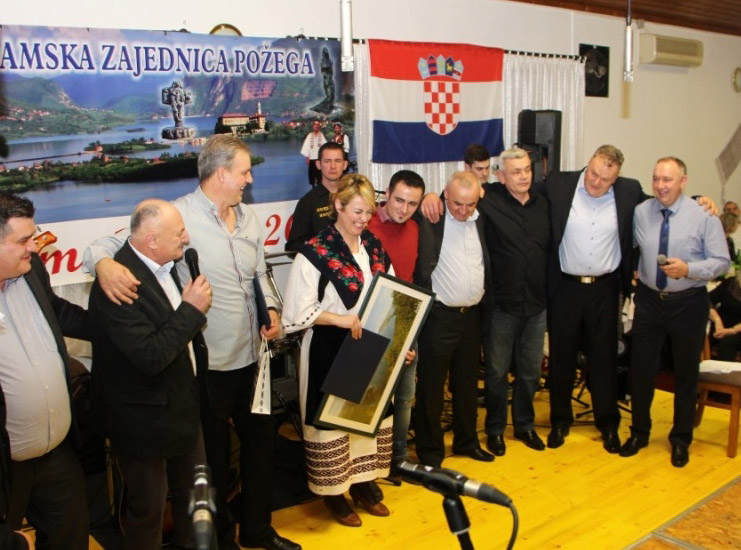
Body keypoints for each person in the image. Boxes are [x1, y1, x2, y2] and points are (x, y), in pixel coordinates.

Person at [82, 135, 299, 550]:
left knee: (260, 449)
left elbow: (259, 274)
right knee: (211, 465)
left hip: (253, 359)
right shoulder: (177, 216)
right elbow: (114, 243)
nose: (250, 179)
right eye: (244, 172)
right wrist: (104, 265)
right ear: (221, 174)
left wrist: (271, 308)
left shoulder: (249, 218)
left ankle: (257, 529)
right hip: (208, 367)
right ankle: (220, 540)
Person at [88, 199, 212, 550]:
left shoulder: (164, 263)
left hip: (181, 408)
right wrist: (192, 310)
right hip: (141, 420)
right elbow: (150, 356)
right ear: (153, 240)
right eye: (179, 233)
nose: (186, 238)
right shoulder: (119, 283)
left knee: (197, 505)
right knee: (149, 514)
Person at [282, 174, 399, 528]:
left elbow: (392, 296)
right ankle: (334, 494)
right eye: (357, 212)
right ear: (338, 206)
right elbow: (297, 313)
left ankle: (363, 485)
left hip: (370, 346)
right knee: (333, 425)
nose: (363, 219)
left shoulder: (374, 247)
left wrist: (400, 342)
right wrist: (341, 320)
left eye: (369, 212)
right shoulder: (315, 252)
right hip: (330, 347)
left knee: (365, 422)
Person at [619, 157, 728, 467]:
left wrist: (689, 269)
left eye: (667, 179)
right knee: (641, 370)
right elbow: (631, 246)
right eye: (656, 179)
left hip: (689, 303)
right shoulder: (642, 212)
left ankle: (681, 440)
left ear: (683, 181)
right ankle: (639, 432)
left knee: (685, 374)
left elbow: (721, 262)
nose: (660, 185)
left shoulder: (704, 215)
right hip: (649, 302)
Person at [0, 192, 90, 550]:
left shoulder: (31, 270)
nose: (34, 248)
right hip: (7, 468)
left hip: (56, 453)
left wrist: (114, 327)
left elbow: (56, 311)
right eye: (23, 240)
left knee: (71, 538)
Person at [542, 145, 647, 453]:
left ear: (616, 178)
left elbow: (659, 203)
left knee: (604, 359)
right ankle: (560, 420)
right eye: (594, 174)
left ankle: (608, 423)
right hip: (565, 287)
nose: (597, 182)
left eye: (605, 179)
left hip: (605, 288)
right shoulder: (558, 183)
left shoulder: (629, 191)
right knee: (561, 358)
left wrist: (700, 201)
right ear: (588, 164)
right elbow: (519, 192)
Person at [413, 172, 494, 468]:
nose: (463, 210)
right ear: (446, 195)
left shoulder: (481, 219)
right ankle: (430, 452)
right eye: (458, 203)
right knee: (431, 388)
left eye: (470, 204)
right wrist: (428, 196)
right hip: (439, 317)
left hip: (472, 317)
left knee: (467, 384)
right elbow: (401, 207)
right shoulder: (431, 217)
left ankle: (467, 441)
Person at [479, 148, 550, 455]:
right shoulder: (488, 200)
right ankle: (495, 429)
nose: (523, 176)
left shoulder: (543, 204)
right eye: (516, 172)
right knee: (496, 373)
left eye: (527, 170)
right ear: (501, 176)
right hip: (501, 306)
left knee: (530, 372)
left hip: (536, 304)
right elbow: (457, 192)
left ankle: (524, 425)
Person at [367, 170, 425, 463]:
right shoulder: (366, 225)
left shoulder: (414, 227)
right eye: (399, 200)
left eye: (412, 203)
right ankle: (371, 460)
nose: (404, 209)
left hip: (406, 317)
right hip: (372, 322)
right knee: (372, 396)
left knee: (404, 394)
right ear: (386, 194)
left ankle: (398, 456)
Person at [285, 142, 347, 252]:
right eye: (327, 161)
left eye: (337, 161)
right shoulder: (308, 202)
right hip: (322, 262)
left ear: (345, 165)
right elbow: (293, 246)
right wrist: (319, 254)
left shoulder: (354, 198)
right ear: (318, 164)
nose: (333, 166)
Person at [709, 275, 741, 361]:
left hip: (738, 330)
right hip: (720, 325)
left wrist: (731, 330)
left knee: (727, 344)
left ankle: (725, 369)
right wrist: (717, 320)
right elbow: (707, 300)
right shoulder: (731, 282)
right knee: (701, 336)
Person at [300, 120, 327, 187]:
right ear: (313, 126)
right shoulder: (310, 135)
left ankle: (319, 188)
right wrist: (307, 157)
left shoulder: (321, 135)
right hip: (311, 158)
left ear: (319, 126)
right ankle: (313, 187)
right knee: (312, 174)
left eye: (317, 125)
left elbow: (325, 146)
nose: (316, 126)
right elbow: (306, 146)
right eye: (315, 124)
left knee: (319, 174)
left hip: (319, 158)